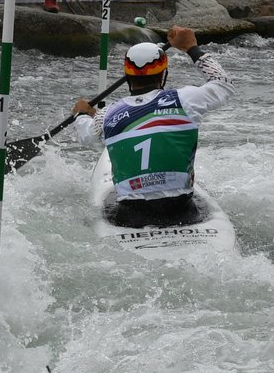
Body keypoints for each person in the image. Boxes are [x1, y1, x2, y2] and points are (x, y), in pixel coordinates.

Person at [71, 26, 233, 225]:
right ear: (162, 74)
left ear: (129, 76)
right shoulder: (185, 100)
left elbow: (87, 135)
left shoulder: (106, 116)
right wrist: (191, 48)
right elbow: (223, 84)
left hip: (130, 216)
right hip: (182, 212)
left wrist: (81, 114)